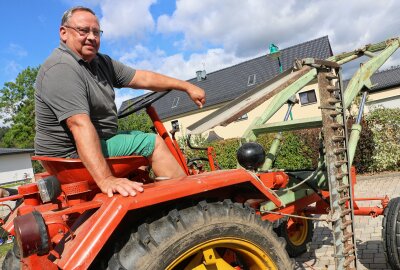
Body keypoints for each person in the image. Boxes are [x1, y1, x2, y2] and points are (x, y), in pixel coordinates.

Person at [34, 6, 205, 197]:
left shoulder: (100, 62)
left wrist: (186, 86)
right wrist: (107, 180)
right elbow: (79, 124)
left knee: (136, 134)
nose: (91, 37)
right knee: (153, 142)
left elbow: (143, 78)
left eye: (96, 32)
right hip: (69, 157)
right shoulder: (62, 68)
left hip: (94, 141)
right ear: (64, 33)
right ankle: (189, 202)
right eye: (83, 30)